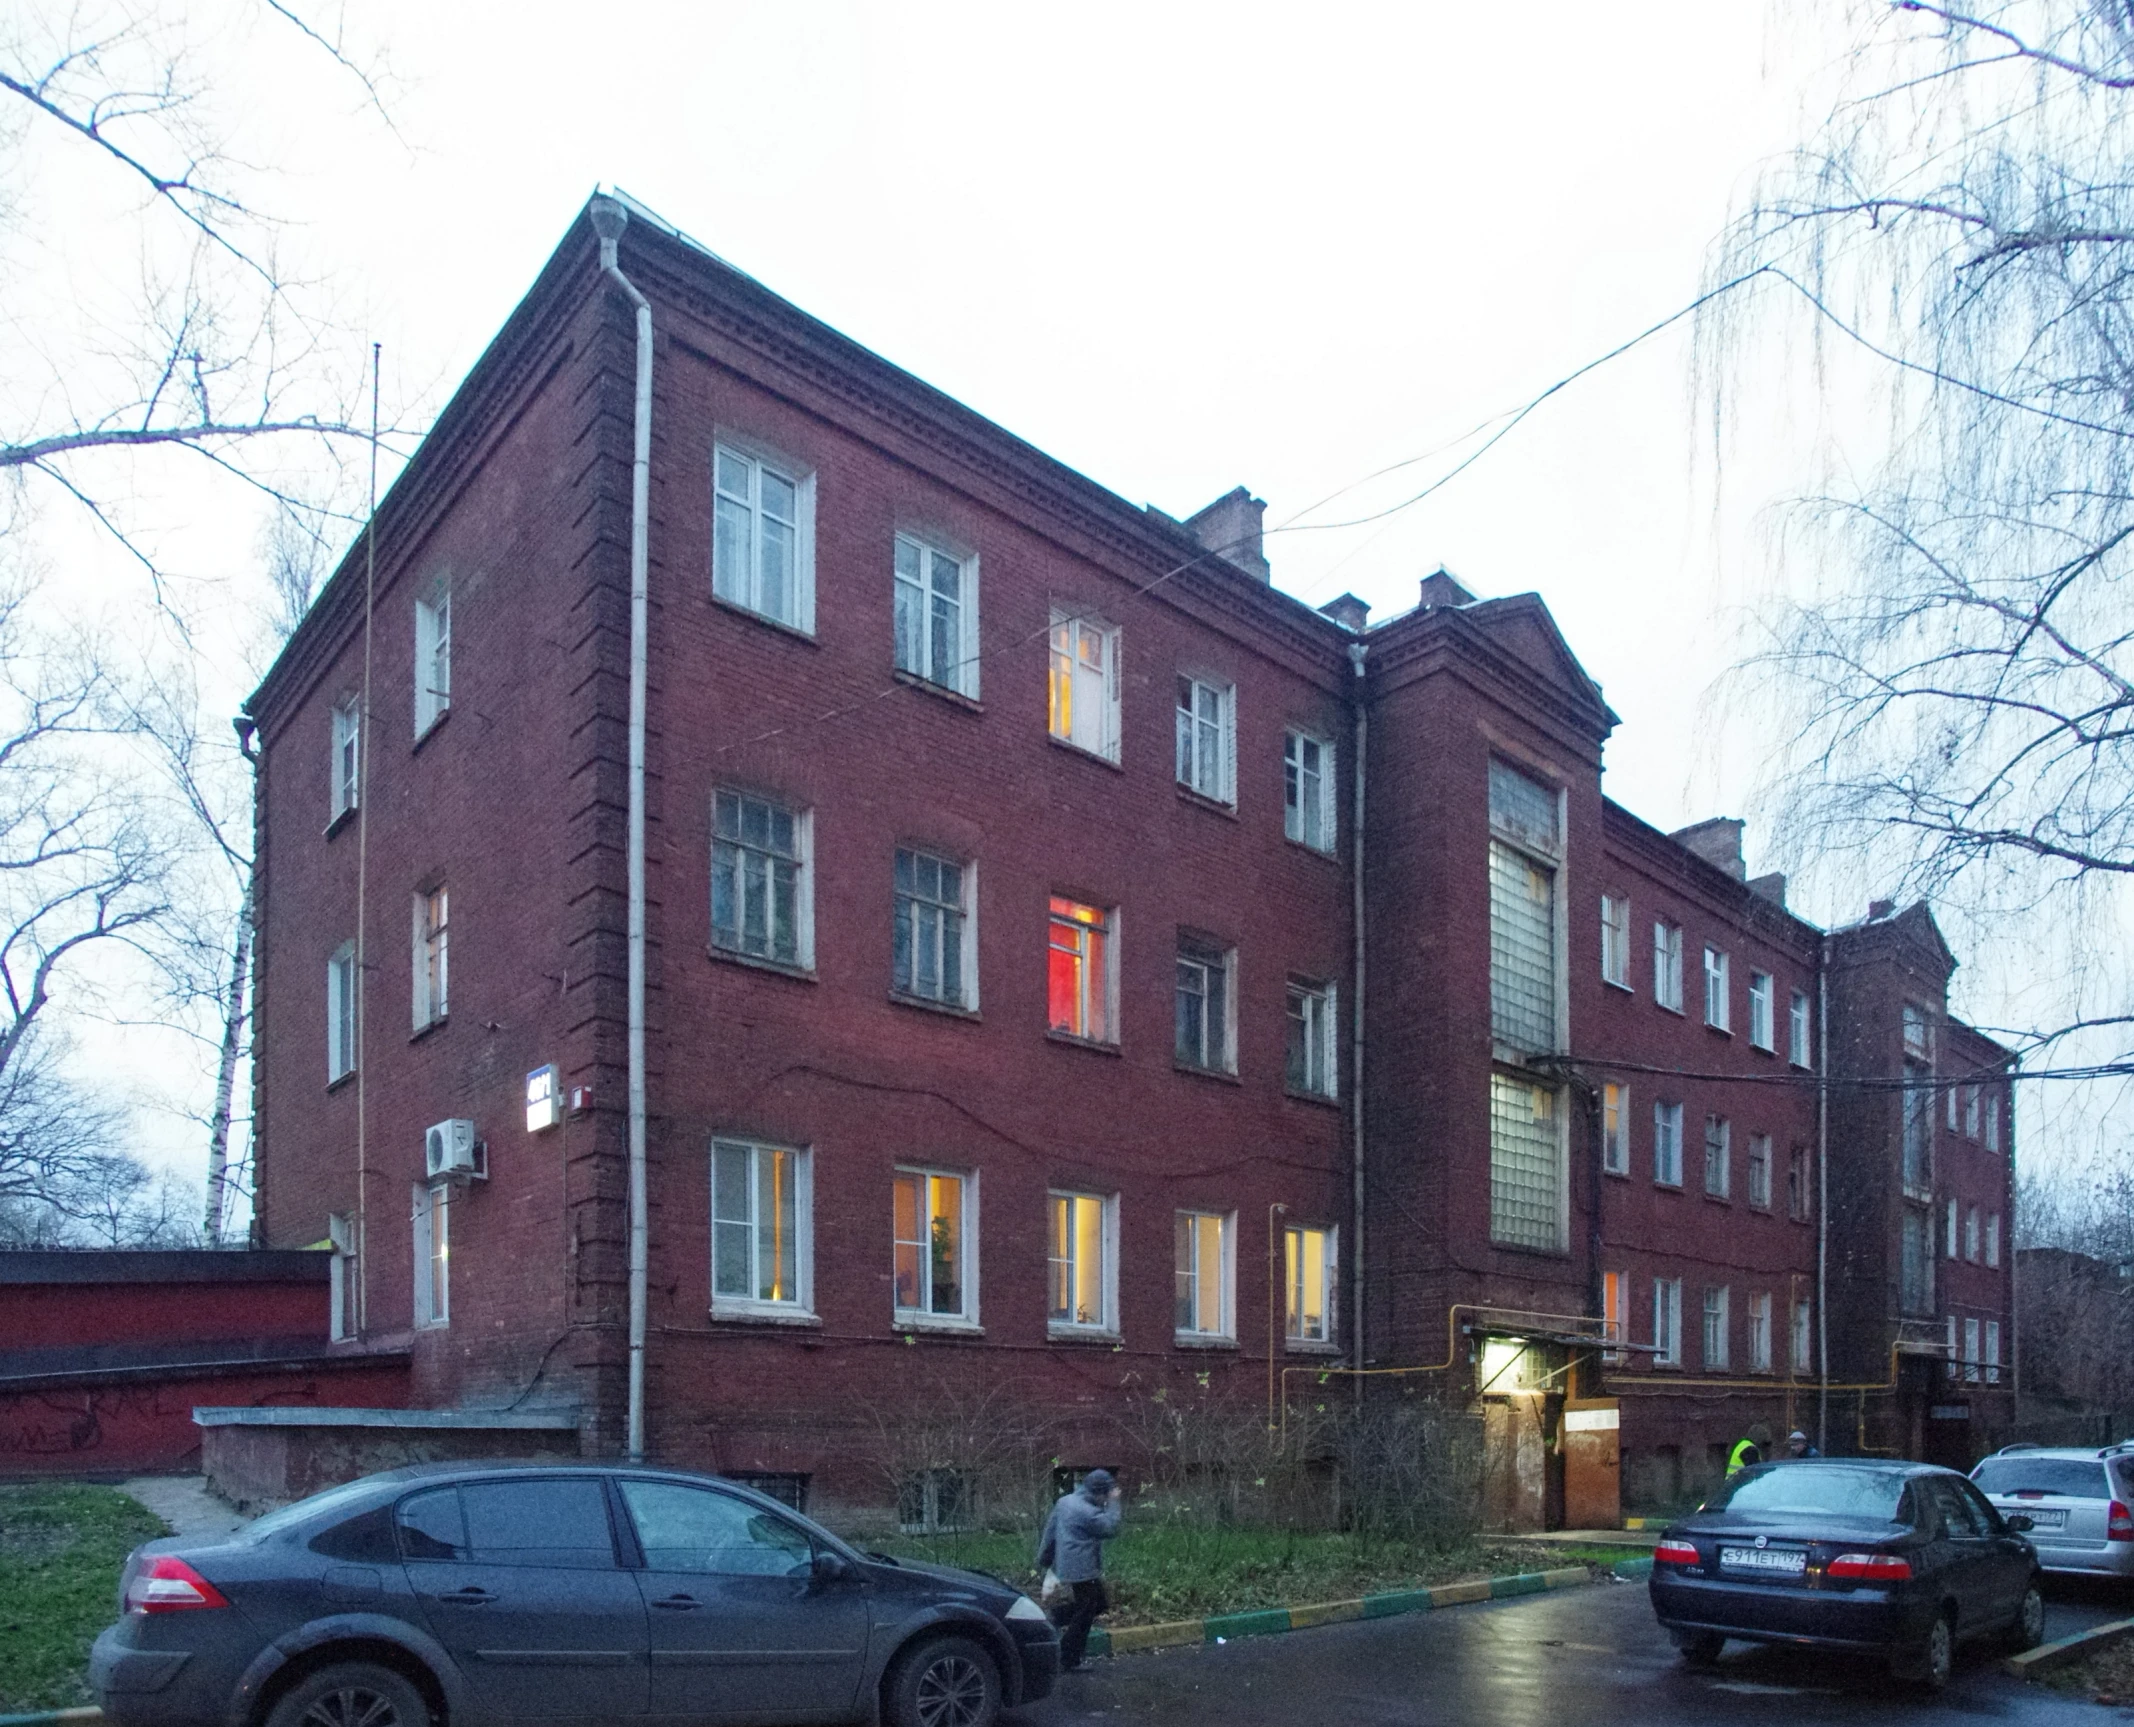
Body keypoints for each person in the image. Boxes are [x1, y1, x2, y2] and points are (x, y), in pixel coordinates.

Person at [1036, 1467, 1123, 1671]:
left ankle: (1055, 1618)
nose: (1105, 1499)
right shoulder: (1088, 1512)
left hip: (1068, 1565)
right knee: (1087, 1610)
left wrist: (1045, 1559)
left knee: (1097, 1603)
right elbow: (1110, 1527)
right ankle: (1068, 1658)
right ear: (1099, 1492)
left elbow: (1050, 1531)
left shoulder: (1065, 1502)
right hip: (1082, 1568)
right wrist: (1114, 1502)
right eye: (1106, 1494)